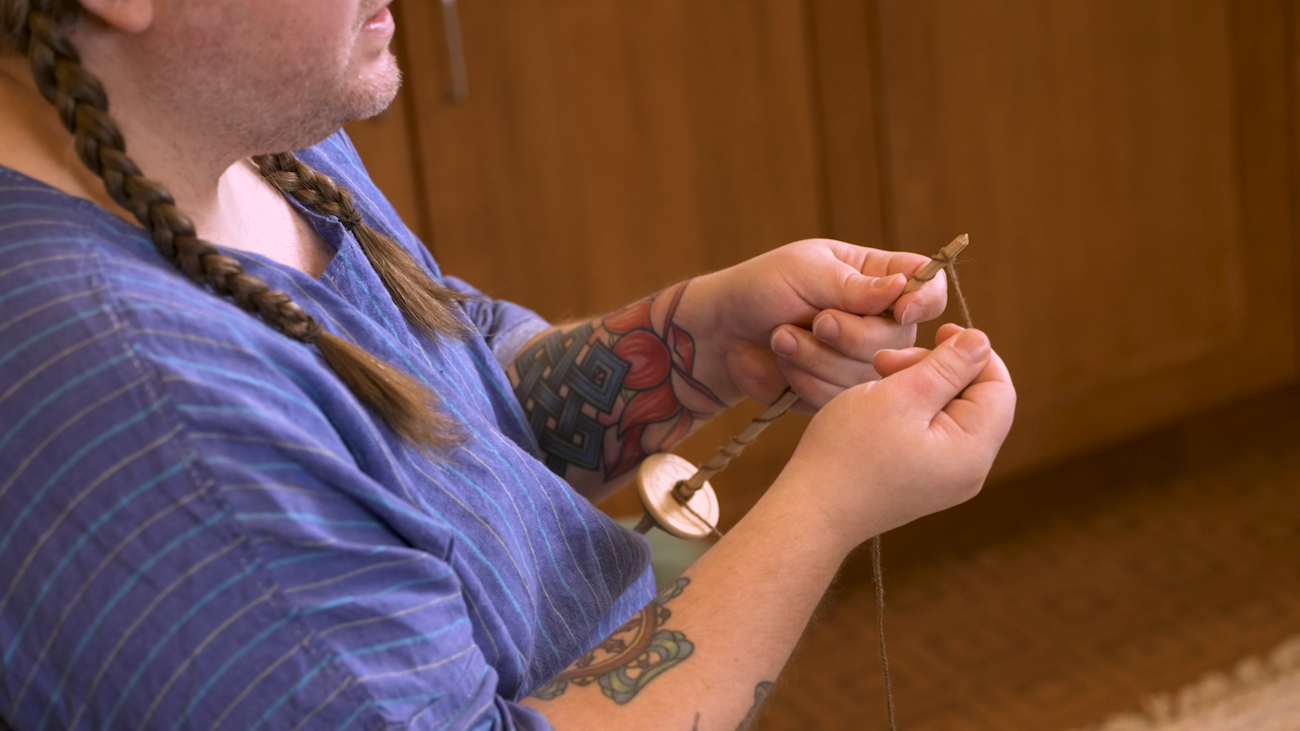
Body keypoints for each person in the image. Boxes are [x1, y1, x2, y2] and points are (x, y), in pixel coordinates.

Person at [0, 1, 1016, 729]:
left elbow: (445, 413)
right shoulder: (141, 403)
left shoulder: (224, 125)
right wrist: (825, 505)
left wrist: (698, 345)